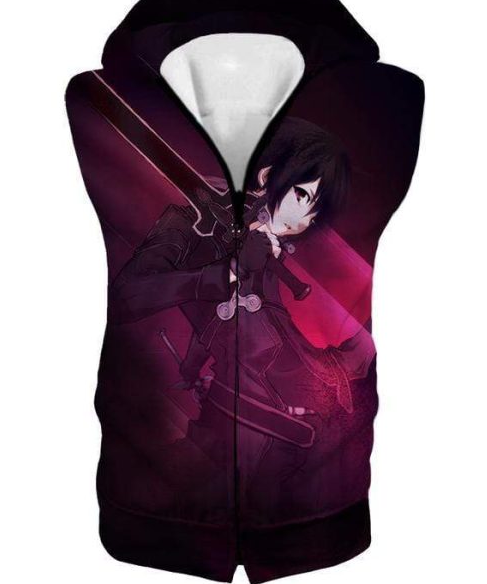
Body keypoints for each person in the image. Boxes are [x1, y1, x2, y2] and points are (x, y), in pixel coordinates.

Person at [108, 117, 376, 520]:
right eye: (301, 195)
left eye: (315, 212)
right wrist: (227, 271)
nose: (301, 220)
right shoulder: (193, 225)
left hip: (302, 447)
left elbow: (247, 325)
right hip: (232, 446)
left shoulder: (268, 243)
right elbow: (126, 296)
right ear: (268, 177)